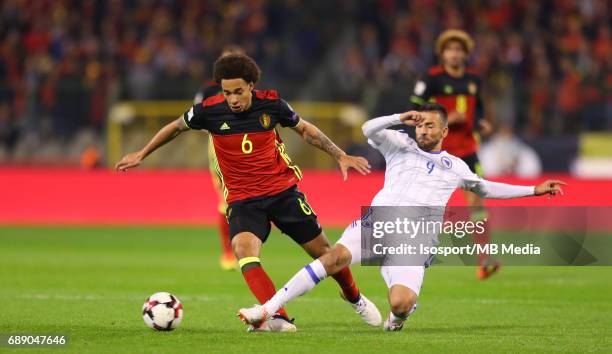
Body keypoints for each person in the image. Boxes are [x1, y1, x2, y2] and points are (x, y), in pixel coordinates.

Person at [238, 103, 566, 331]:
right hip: (379, 222)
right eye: (420, 123)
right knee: (334, 258)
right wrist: (399, 117)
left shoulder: (455, 166)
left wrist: (533, 190)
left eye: (430, 125)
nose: (423, 129)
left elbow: (486, 189)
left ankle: (399, 316)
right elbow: (369, 128)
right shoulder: (399, 145)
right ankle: (267, 310)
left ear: (444, 131)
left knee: (399, 304)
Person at [116, 53, 381, 332]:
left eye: (239, 92)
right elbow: (175, 128)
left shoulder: (272, 105)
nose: (233, 99)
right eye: (227, 92)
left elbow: (306, 130)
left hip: (282, 193)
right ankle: (277, 317)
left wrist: (339, 155)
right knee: (243, 250)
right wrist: (142, 153)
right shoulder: (209, 110)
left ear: (252, 85)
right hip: (243, 200)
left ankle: (354, 297)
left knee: (325, 253)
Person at [409, 29, 497, 279]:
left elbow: (478, 109)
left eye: (459, 50)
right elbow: (413, 110)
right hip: (438, 152)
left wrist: (481, 122)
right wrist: (445, 116)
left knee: (478, 203)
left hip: (468, 151)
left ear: (465, 53)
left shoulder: (474, 80)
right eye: (450, 49)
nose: (455, 54)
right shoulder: (431, 78)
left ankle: (484, 259)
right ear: (442, 53)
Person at [193, 45, 245, 271]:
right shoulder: (207, 92)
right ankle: (228, 252)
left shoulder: (248, 88)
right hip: (219, 145)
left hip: (249, 145)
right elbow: (196, 119)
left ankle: (245, 246)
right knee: (226, 199)